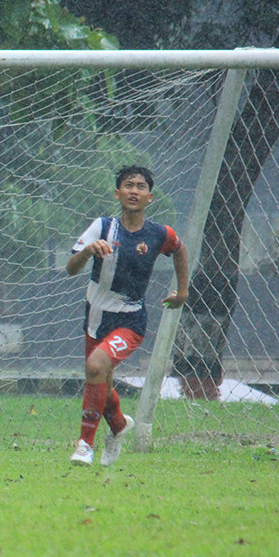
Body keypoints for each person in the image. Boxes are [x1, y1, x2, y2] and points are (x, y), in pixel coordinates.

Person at [66, 166, 189, 467]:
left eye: (141, 186)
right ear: (117, 193)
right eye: (128, 185)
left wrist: (182, 291)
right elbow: (71, 267)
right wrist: (87, 252)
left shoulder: (159, 234)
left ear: (149, 197)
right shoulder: (102, 227)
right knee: (102, 385)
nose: (134, 190)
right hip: (96, 316)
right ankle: (119, 426)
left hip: (130, 321)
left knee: (95, 366)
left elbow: (180, 251)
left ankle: (85, 445)